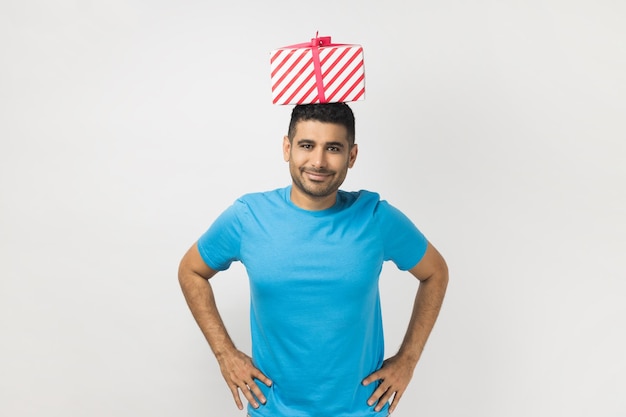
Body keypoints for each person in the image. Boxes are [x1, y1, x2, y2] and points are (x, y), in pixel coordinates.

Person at [178, 102, 448, 417]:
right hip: (273, 409)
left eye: (333, 148)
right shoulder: (248, 217)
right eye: (307, 145)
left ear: (352, 155)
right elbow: (191, 270)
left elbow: (435, 272)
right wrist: (225, 354)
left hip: (360, 410)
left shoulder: (376, 218)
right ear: (287, 148)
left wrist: (408, 360)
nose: (318, 161)